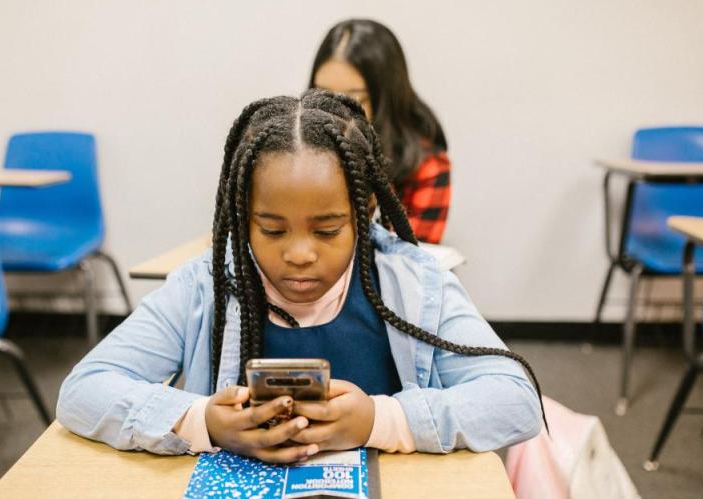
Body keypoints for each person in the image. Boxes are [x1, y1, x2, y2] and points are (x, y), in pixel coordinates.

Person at [57, 91, 542, 464]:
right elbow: (84, 389)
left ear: (362, 214)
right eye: (271, 229)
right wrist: (199, 421)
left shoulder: (415, 285)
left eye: (327, 229)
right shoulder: (205, 286)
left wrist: (382, 420)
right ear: (243, 217)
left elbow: (514, 400)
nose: (300, 255)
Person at [310, 19, 451, 243]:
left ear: (385, 98)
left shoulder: (426, 165)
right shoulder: (295, 150)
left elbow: (415, 260)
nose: (334, 112)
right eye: (323, 94)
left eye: (353, 99)